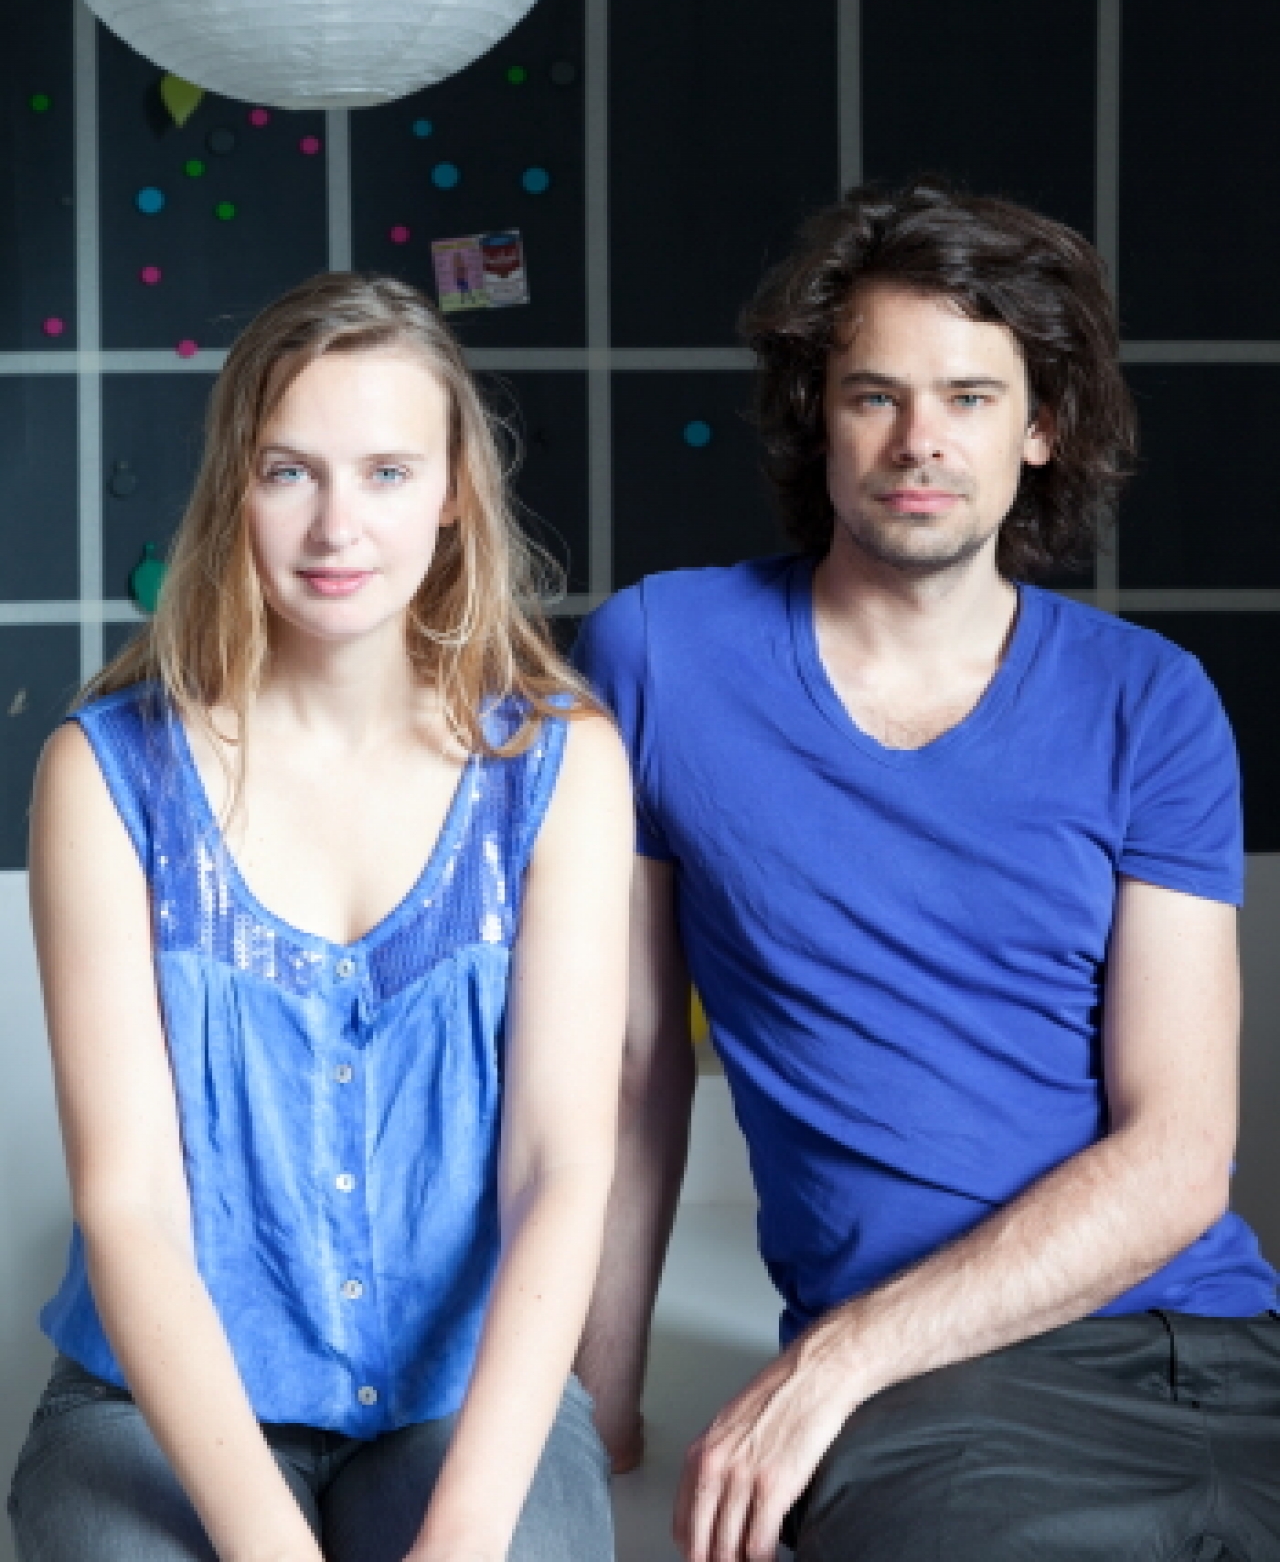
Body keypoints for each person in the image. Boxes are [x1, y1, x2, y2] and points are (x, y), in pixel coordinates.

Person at [572, 181, 1280, 1562]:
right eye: (875, 396)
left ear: (1040, 426)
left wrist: (832, 1362)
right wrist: (597, 1416)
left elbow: (1180, 1158)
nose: (921, 441)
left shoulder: (1153, 700)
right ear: (817, 420)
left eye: (969, 396)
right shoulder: (660, 655)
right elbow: (631, 1067)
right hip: (947, 1400)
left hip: (1223, 1345)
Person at [9, 273, 632, 1562]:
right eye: (289, 472)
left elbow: (560, 1168)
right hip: (157, 1408)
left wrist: (465, 1536)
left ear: (453, 490)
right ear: (233, 487)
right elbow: (128, 1204)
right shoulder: (105, 773)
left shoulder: (560, 764)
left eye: (387, 473)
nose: (337, 526)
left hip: (462, 1402)